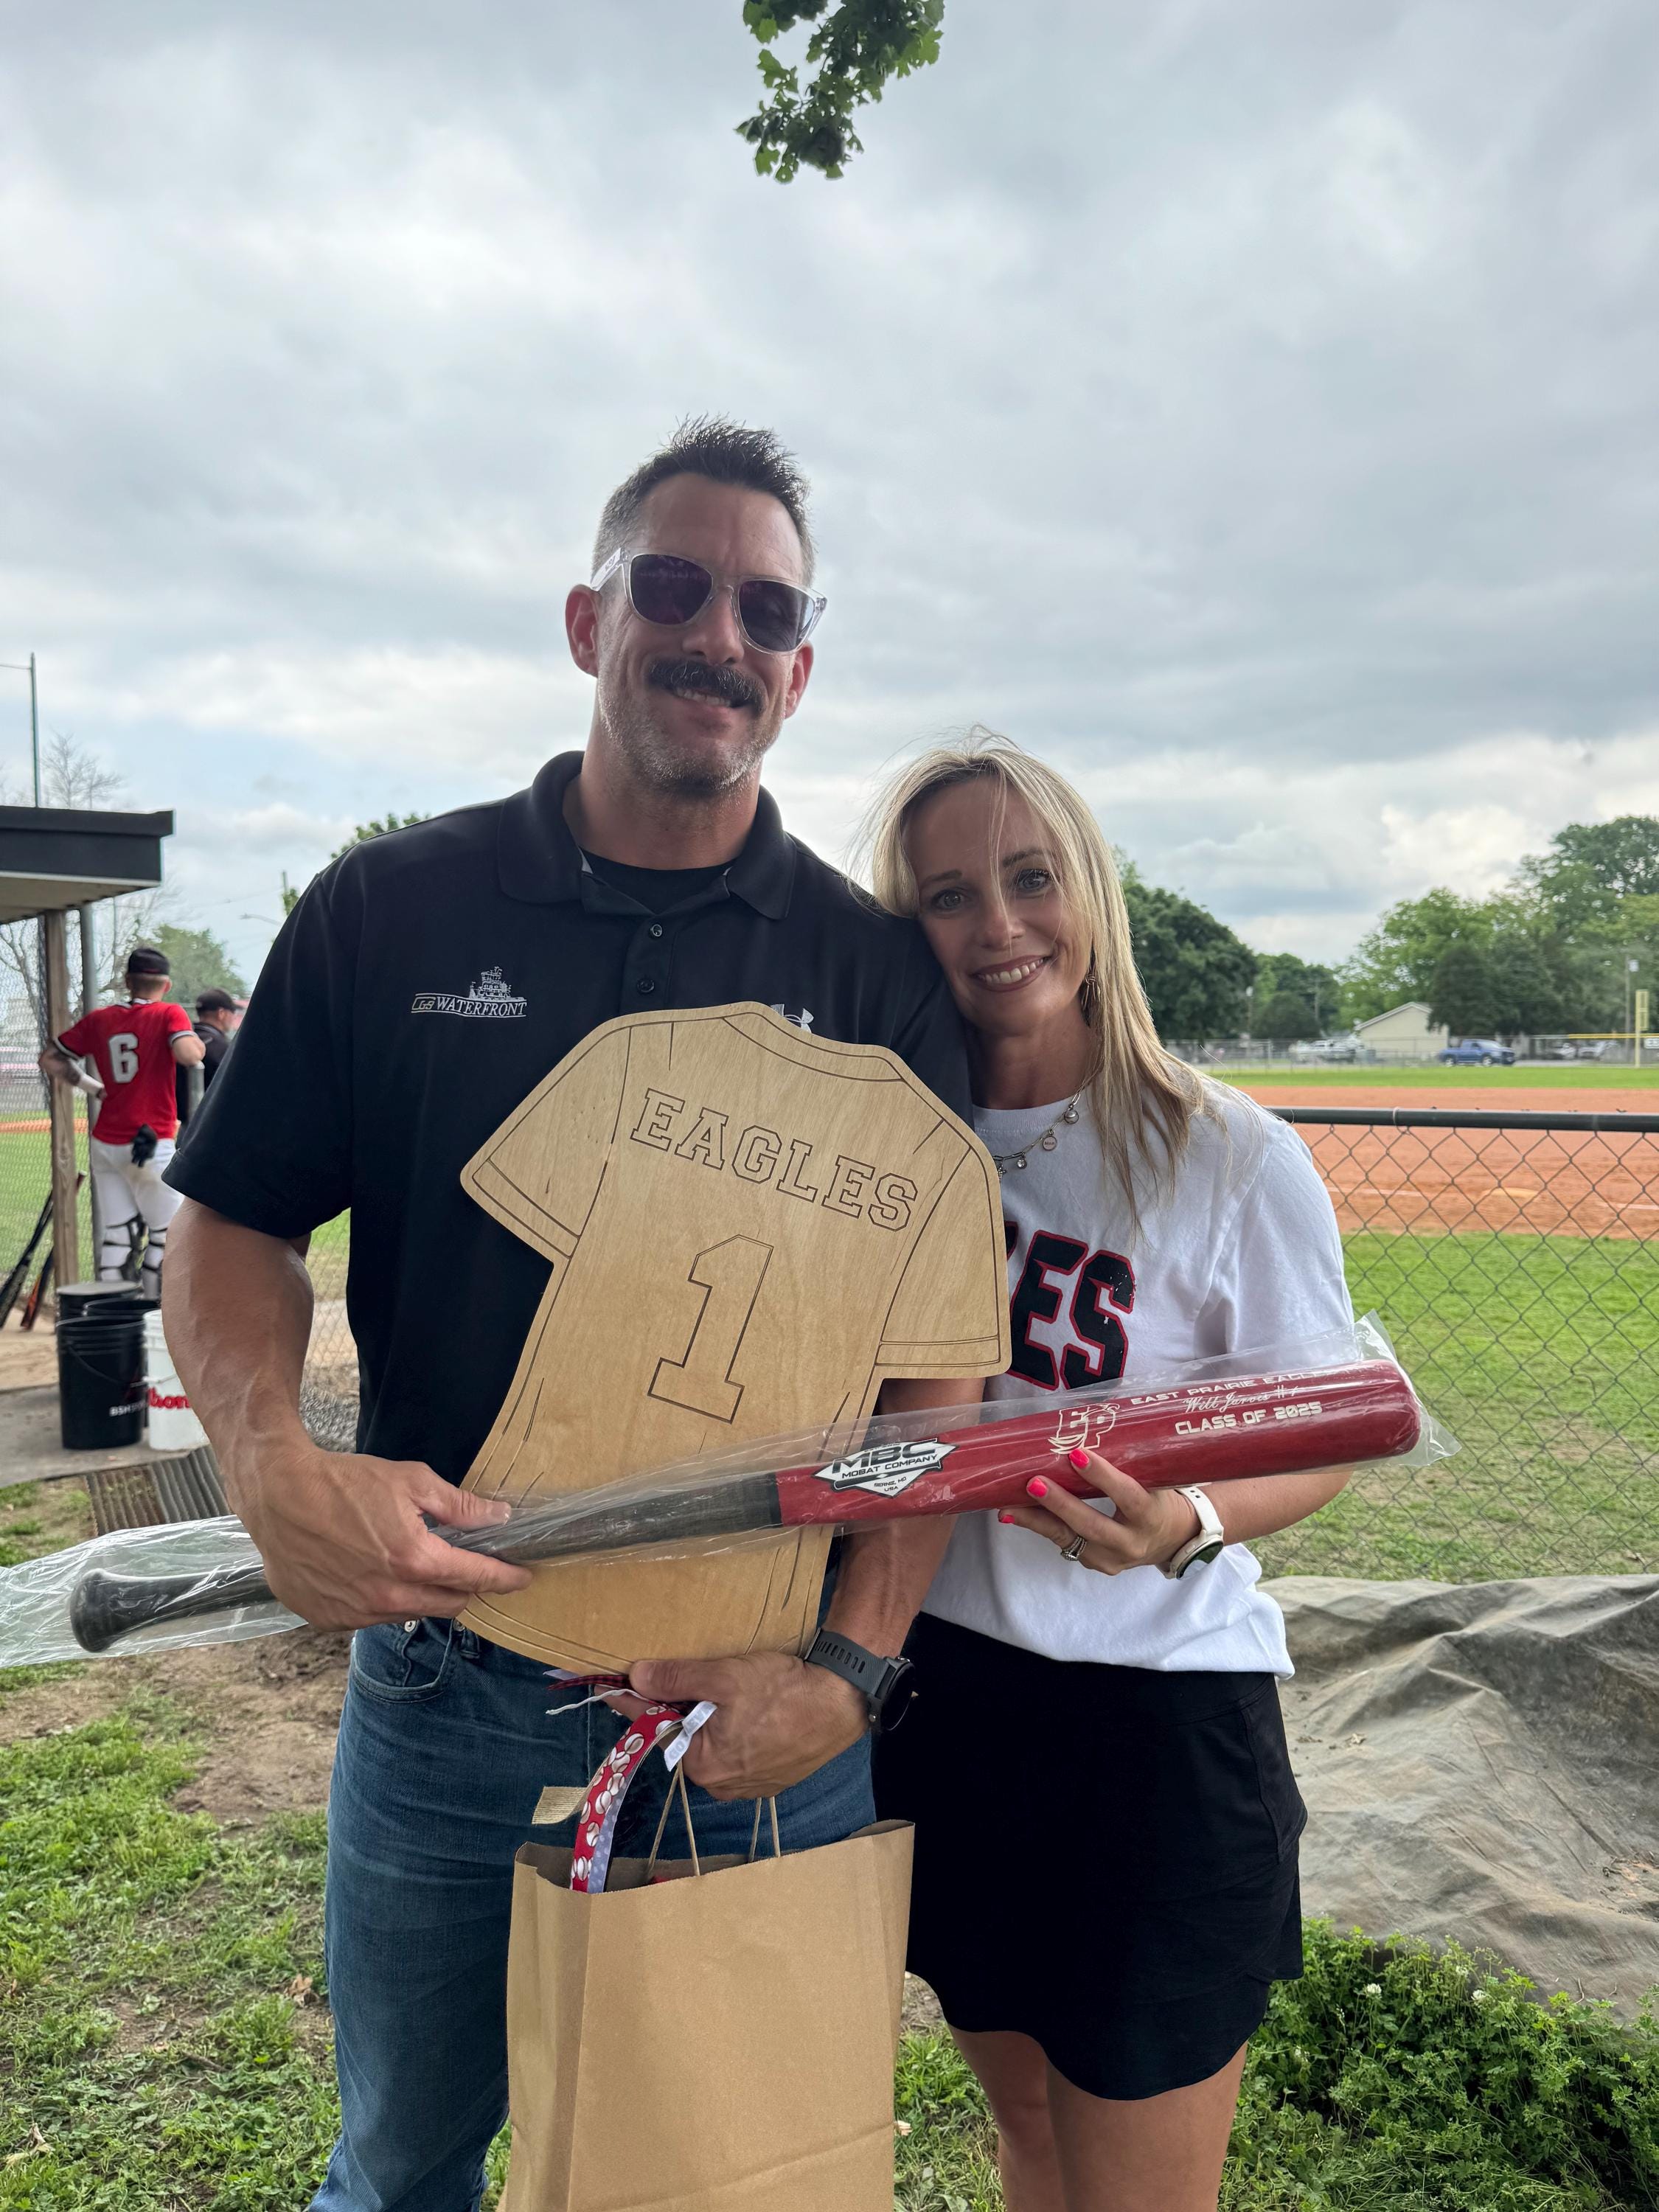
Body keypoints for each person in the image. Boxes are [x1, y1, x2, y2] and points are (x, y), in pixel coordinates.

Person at [161, 419, 986, 2212]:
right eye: (672, 586)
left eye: (768, 609)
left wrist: (848, 1672)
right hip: (453, 1675)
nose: (719, 634)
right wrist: (269, 1456)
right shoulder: (392, 909)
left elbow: (936, 1368)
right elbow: (233, 1220)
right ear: (586, 619)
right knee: (401, 2169)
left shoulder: (871, 977)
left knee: (736, 2181)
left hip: (749, 1697)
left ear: (801, 669)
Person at [862, 732, 1354, 2212]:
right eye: (950, 895)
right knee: (1028, 2135)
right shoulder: (888, 1146)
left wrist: (1184, 1518)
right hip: (948, 1696)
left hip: (1154, 1728)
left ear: (1090, 891)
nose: (999, 926)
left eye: (1032, 878)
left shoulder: (1224, 1153)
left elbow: (1329, 1429)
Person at [41, 945, 206, 1298]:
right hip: (151, 1140)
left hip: (106, 1141)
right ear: (166, 985)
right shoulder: (168, 1012)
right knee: (166, 1234)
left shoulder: (100, 1019)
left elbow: (50, 1059)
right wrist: (192, 1039)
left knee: (117, 1233)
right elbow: (188, 1054)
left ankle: (112, 1315)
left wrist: (94, 1089)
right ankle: (158, 1316)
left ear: (128, 982)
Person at [175, 987, 237, 1129]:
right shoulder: (221, 1047)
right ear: (221, 1014)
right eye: (232, 1014)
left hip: (181, 1122)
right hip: (211, 1125)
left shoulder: (183, 1043)